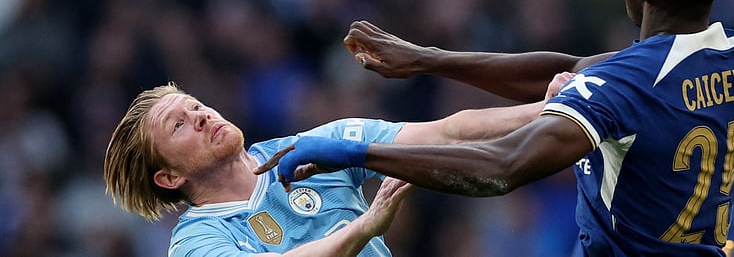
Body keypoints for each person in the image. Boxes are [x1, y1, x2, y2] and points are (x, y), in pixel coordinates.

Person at [259, 0, 734, 256]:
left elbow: (503, 166)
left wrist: (358, 154)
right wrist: (429, 59)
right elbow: (575, 67)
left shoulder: (628, 84)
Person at [103, 81, 554, 256]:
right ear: (169, 178)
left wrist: (551, 107)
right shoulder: (195, 243)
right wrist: (365, 227)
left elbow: (446, 133)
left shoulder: (310, 150)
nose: (201, 116)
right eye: (179, 124)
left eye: (196, 105)